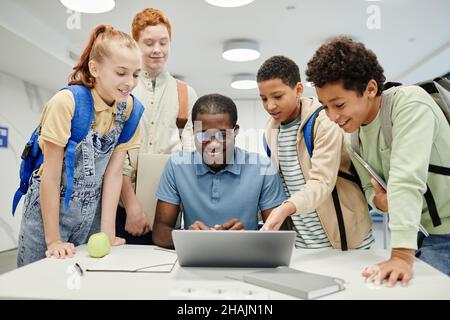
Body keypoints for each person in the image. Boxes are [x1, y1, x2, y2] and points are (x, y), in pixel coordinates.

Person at [305, 36, 450, 285]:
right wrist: (381, 202)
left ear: (371, 89)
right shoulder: (353, 137)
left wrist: (402, 256)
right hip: (420, 234)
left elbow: (406, 180)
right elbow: (372, 189)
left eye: (338, 104)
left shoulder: (409, 103)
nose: (332, 116)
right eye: (325, 106)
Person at [17, 24, 142, 266]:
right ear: (95, 69)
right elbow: (50, 177)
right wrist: (53, 241)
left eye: (136, 74)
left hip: (90, 214)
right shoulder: (66, 103)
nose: (130, 82)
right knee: (37, 284)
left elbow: (114, 174)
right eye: (121, 73)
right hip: (47, 215)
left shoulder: (130, 111)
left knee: (82, 282)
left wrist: (107, 232)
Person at [257, 55, 373, 250]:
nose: (270, 105)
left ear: (298, 89)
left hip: (346, 241)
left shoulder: (324, 121)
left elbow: (321, 182)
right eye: (263, 99)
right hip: (302, 245)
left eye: (277, 96)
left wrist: (285, 209)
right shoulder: (270, 131)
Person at [152, 94, 287, 249]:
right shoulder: (177, 166)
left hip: (244, 256)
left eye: (223, 135)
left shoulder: (262, 167)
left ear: (235, 131)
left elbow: (280, 235)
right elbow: (159, 232)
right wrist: (188, 238)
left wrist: (247, 238)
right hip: (195, 256)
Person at [117, 8, 198, 244]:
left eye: (163, 42)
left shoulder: (186, 93)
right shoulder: (123, 90)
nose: (157, 50)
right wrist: (132, 206)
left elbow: (191, 152)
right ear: (135, 44)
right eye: (149, 42)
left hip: (171, 204)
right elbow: (116, 153)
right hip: (124, 204)